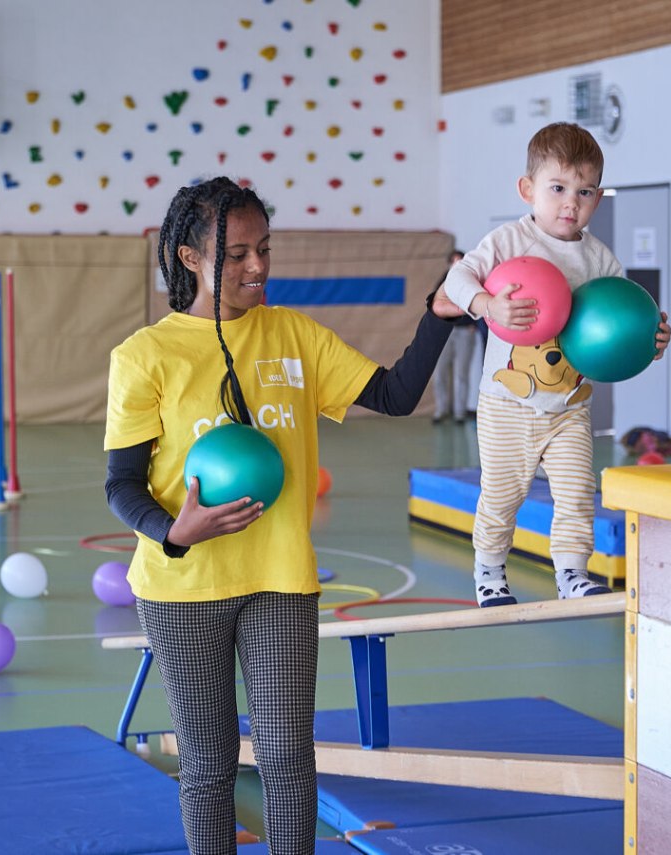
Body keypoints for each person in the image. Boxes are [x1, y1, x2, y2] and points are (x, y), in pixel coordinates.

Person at [103, 177, 464, 854]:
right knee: (208, 766)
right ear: (190, 258)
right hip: (182, 591)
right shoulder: (146, 355)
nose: (258, 267)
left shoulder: (294, 334)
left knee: (289, 757)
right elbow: (121, 484)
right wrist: (172, 531)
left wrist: (439, 315)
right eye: (236, 254)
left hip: (279, 581)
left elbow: (394, 393)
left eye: (264, 249)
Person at [443, 122, 671, 607]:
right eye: (558, 188)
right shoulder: (508, 242)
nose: (572, 202)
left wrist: (651, 342)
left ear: (598, 197)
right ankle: (489, 570)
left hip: (569, 405)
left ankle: (571, 572)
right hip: (507, 403)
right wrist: (487, 305)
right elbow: (458, 277)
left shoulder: (600, 260)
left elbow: (624, 327)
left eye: (585, 191)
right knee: (502, 496)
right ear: (527, 190)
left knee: (575, 493)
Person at [431, 248, 478, 423]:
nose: (456, 264)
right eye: (454, 261)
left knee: (461, 374)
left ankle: (459, 412)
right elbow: (435, 303)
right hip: (446, 331)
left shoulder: (471, 279)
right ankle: (441, 410)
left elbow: (478, 301)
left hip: (465, 332)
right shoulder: (444, 280)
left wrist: (473, 325)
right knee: (440, 372)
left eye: (460, 260)